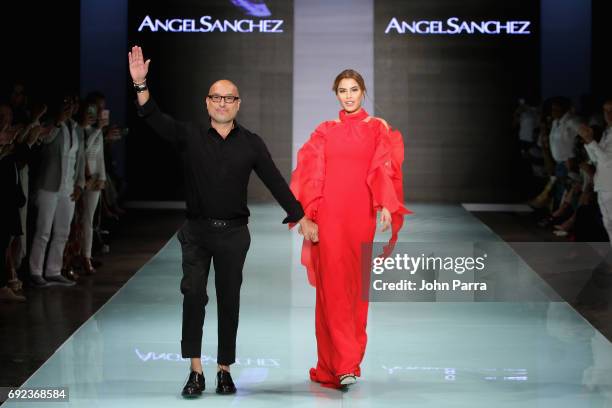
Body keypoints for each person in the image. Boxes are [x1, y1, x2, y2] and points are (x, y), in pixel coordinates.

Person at [127, 45, 317, 397]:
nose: (222, 103)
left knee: (229, 300)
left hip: (234, 235)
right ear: (207, 102)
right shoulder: (190, 136)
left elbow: (275, 180)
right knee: (193, 295)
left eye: (229, 98)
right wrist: (141, 85)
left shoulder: (252, 144)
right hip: (196, 233)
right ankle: (195, 370)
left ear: (238, 104)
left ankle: (224, 369)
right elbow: (155, 118)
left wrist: (299, 215)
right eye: (216, 97)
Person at [290, 69, 411, 389]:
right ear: (336, 94)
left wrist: (385, 204)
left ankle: (346, 362)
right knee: (331, 288)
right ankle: (340, 365)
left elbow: (385, 169)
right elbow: (310, 172)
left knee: (356, 288)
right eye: (342, 90)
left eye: (353, 89)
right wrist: (309, 216)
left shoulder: (377, 129)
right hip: (329, 217)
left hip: (360, 218)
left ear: (363, 92)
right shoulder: (325, 131)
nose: (348, 95)